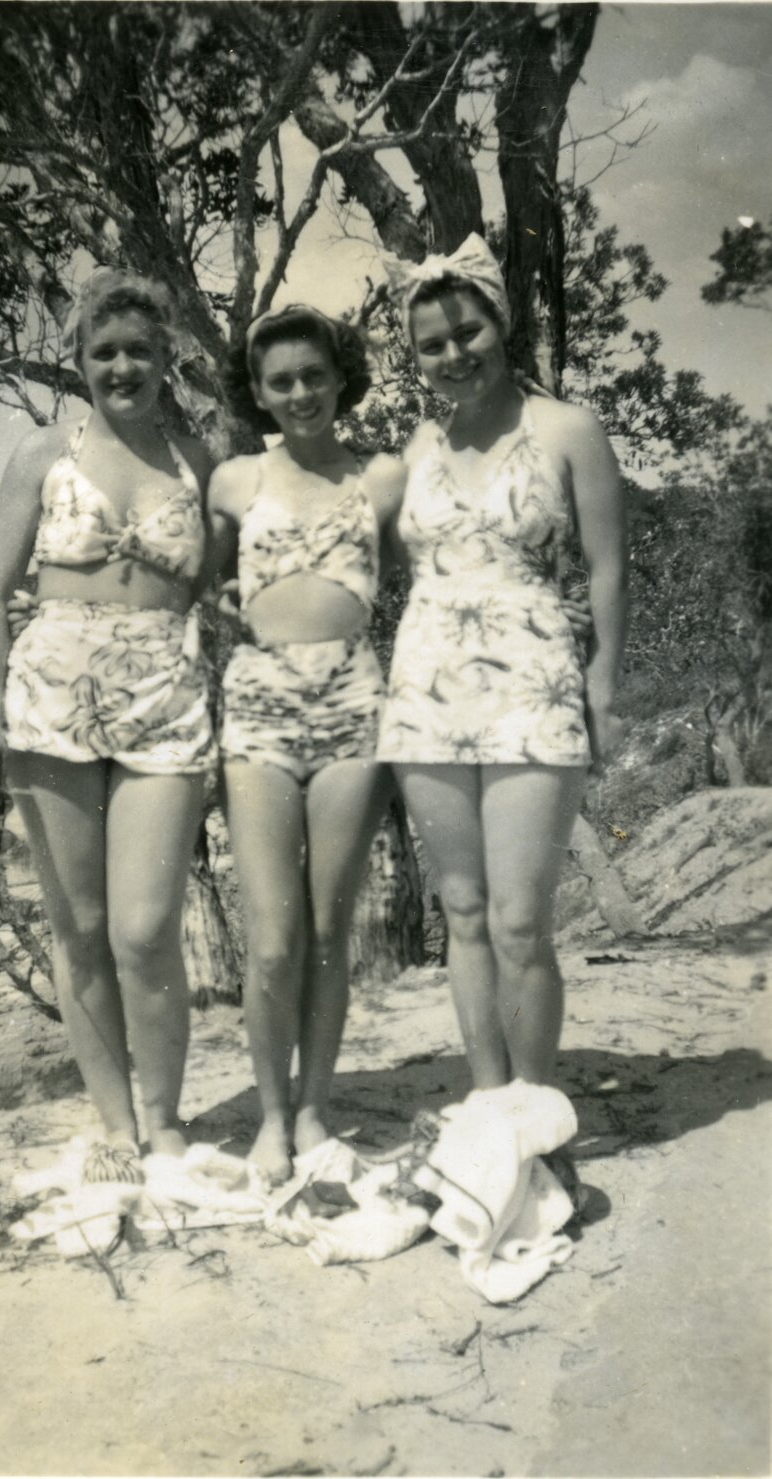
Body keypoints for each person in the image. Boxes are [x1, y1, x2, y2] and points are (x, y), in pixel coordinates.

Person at [0, 267, 215, 1181]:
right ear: (78, 361)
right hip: (51, 704)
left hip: (166, 703)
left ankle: (165, 1115)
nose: (123, 366)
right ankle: (114, 1125)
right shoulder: (40, 457)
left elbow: (222, 593)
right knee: (82, 928)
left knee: (145, 929)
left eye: (140, 350)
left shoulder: (198, 463)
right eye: (103, 352)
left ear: (167, 357)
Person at [378, 235, 627, 1095]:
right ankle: (489, 1108)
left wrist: (602, 689)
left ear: (500, 322)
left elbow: (605, 566)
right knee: (466, 914)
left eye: (467, 332)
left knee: (522, 919)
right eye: (432, 344)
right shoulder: (414, 449)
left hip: (534, 684)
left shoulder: (566, 428)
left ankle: (535, 1111)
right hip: (424, 692)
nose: (454, 355)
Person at [207, 306, 404, 1184]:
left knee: (329, 927)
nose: (299, 393)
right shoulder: (234, 480)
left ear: (340, 376)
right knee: (275, 938)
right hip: (258, 703)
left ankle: (316, 1112)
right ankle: (271, 1119)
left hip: (354, 697)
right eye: (279, 380)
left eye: (312, 375)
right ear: (257, 392)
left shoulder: (381, 477)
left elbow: (405, 570)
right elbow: (203, 578)